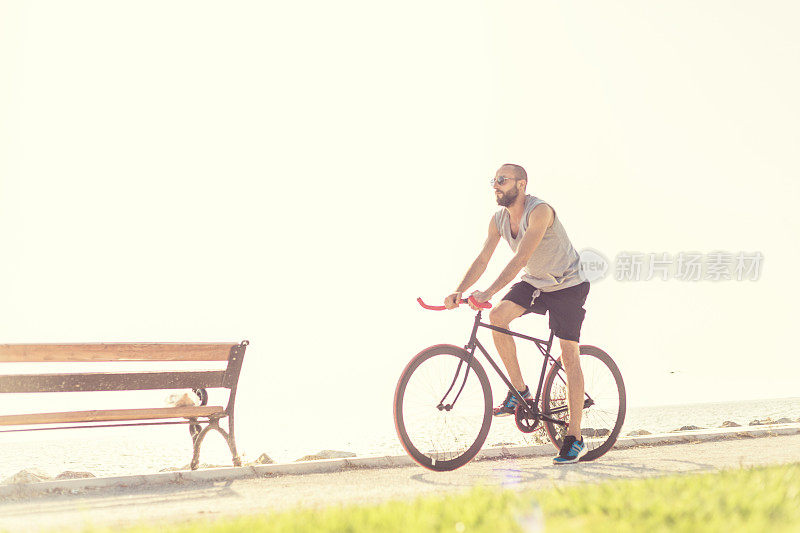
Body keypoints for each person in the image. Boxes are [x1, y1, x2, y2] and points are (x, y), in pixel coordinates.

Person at [443, 163, 591, 464]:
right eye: (493, 180)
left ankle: (574, 437)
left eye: (502, 180)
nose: (495, 185)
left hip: (567, 285)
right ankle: (521, 393)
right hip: (535, 282)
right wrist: (460, 290)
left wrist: (487, 292)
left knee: (568, 353)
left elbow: (522, 255)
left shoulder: (540, 212)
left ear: (521, 184)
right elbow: (484, 258)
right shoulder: (498, 220)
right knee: (497, 317)